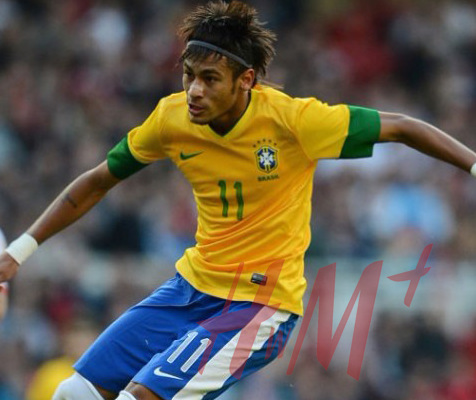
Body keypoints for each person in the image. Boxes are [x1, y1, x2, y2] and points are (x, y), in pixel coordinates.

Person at [0, 1, 475, 399]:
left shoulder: (295, 122)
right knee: (73, 393)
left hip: (259, 306)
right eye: (189, 75)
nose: (194, 90)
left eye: (209, 78)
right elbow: (97, 182)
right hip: (190, 289)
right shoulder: (170, 119)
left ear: (245, 80)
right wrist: (19, 250)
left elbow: (403, 128)